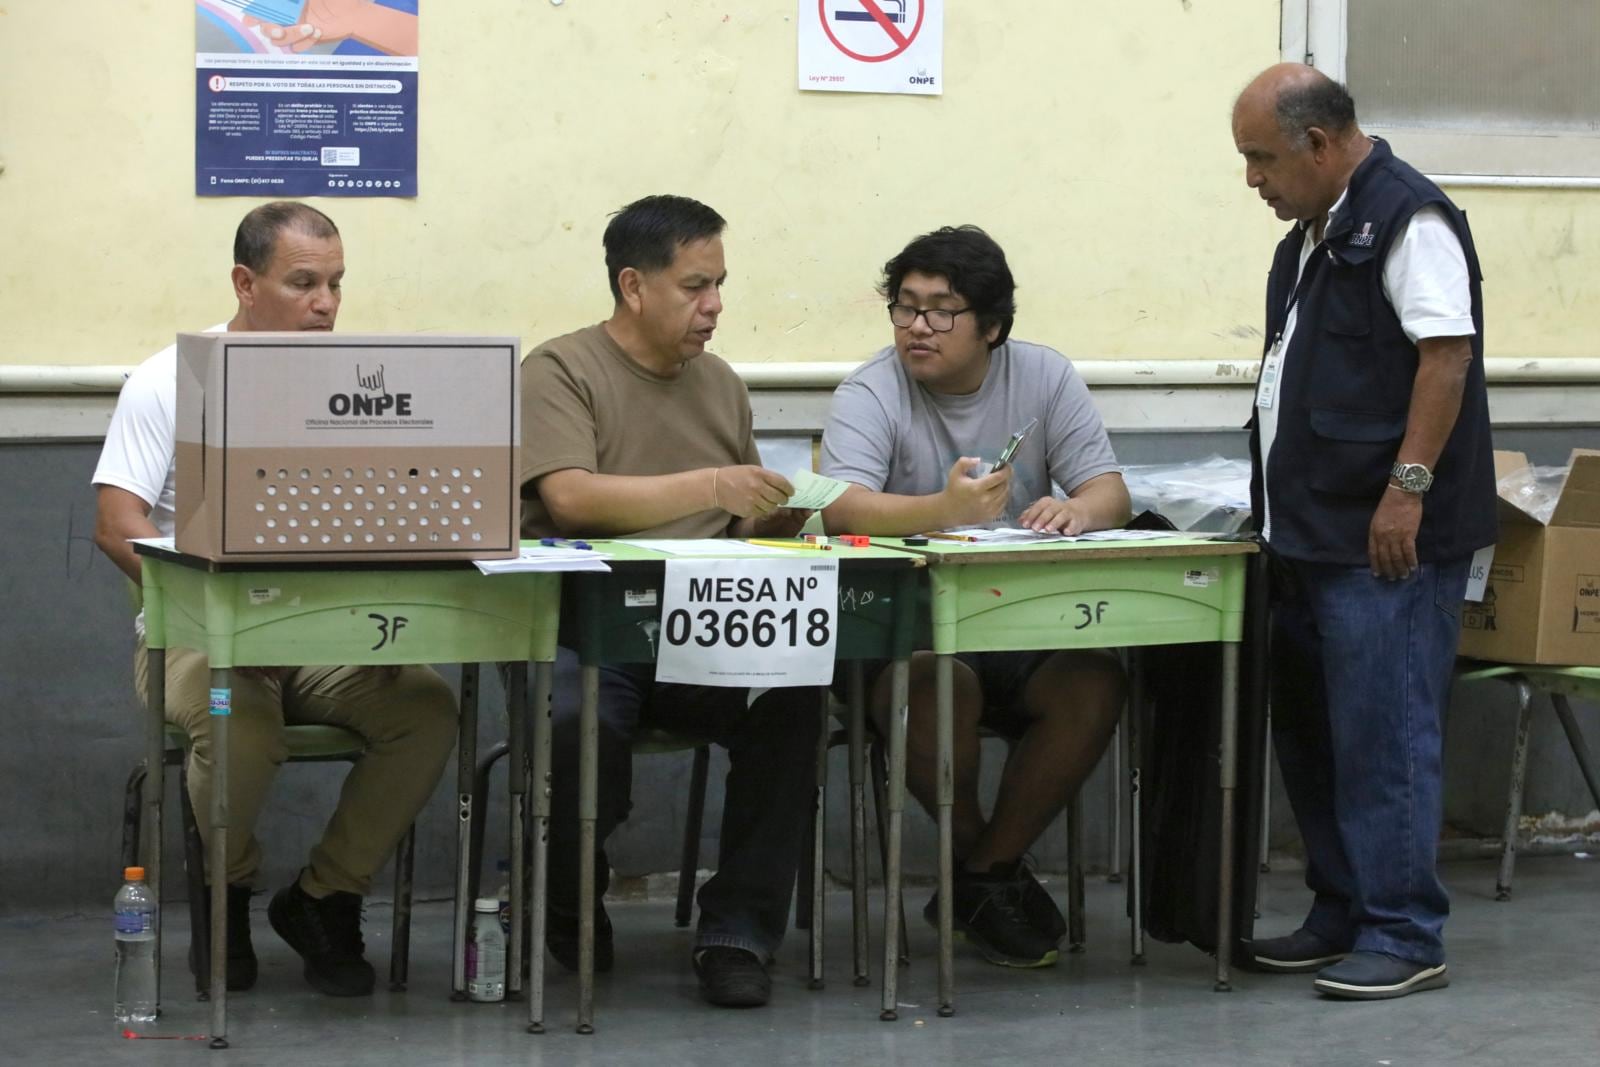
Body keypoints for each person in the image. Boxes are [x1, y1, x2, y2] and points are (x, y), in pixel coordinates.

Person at [92, 202, 458, 998]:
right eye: (303, 283)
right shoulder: (172, 379)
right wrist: (214, 613)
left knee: (425, 708)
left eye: (336, 284)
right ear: (244, 283)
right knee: (238, 715)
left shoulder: (356, 391)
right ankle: (225, 887)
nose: (326, 304)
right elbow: (116, 526)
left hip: (318, 634)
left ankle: (324, 897)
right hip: (198, 636)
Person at [1231, 64, 1496, 1000]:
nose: (1252, 179)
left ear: (1317, 143)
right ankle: (1341, 909)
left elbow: (1446, 358)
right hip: (1307, 534)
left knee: (1387, 736)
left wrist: (1406, 491)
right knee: (1316, 737)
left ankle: (1404, 930)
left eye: (1261, 158)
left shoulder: (1409, 219)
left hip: (1382, 539)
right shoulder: (1310, 235)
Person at [520, 194, 820, 1008]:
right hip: (590, 629)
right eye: (695, 286)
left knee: (794, 692)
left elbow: (737, 516)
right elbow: (572, 498)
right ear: (633, 285)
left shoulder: (719, 384)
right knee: (580, 718)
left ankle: (738, 930)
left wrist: (776, 516)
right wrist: (711, 485)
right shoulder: (559, 370)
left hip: (709, 627)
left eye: (719, 284)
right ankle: (569, 887)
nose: (714, 305)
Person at [818, 225, 1130, 968]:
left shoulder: (1044, 376)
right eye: (905, 306)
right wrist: (943, 510)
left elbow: (1110, 492)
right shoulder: (871, 391)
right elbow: (837, 508)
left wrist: (1076, 511)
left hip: (1015, 621)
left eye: (941, 310)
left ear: (991, 326)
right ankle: (986, 873)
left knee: (1094, 681)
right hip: (902, 632)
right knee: (939, 685)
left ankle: (982, 876)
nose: (917, 327)